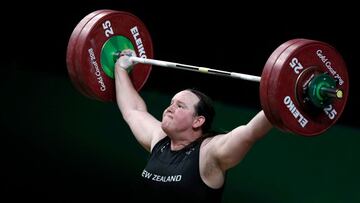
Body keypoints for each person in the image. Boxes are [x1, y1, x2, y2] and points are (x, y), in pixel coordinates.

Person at [114, 49, 273, 202]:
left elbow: (250, 132)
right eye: (171, 103)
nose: (170, 108)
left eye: (180, 106)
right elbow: (132, 110)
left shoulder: (209, 152)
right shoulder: (160, 140)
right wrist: (121, 67)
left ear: (198, 121)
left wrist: (279, 98)